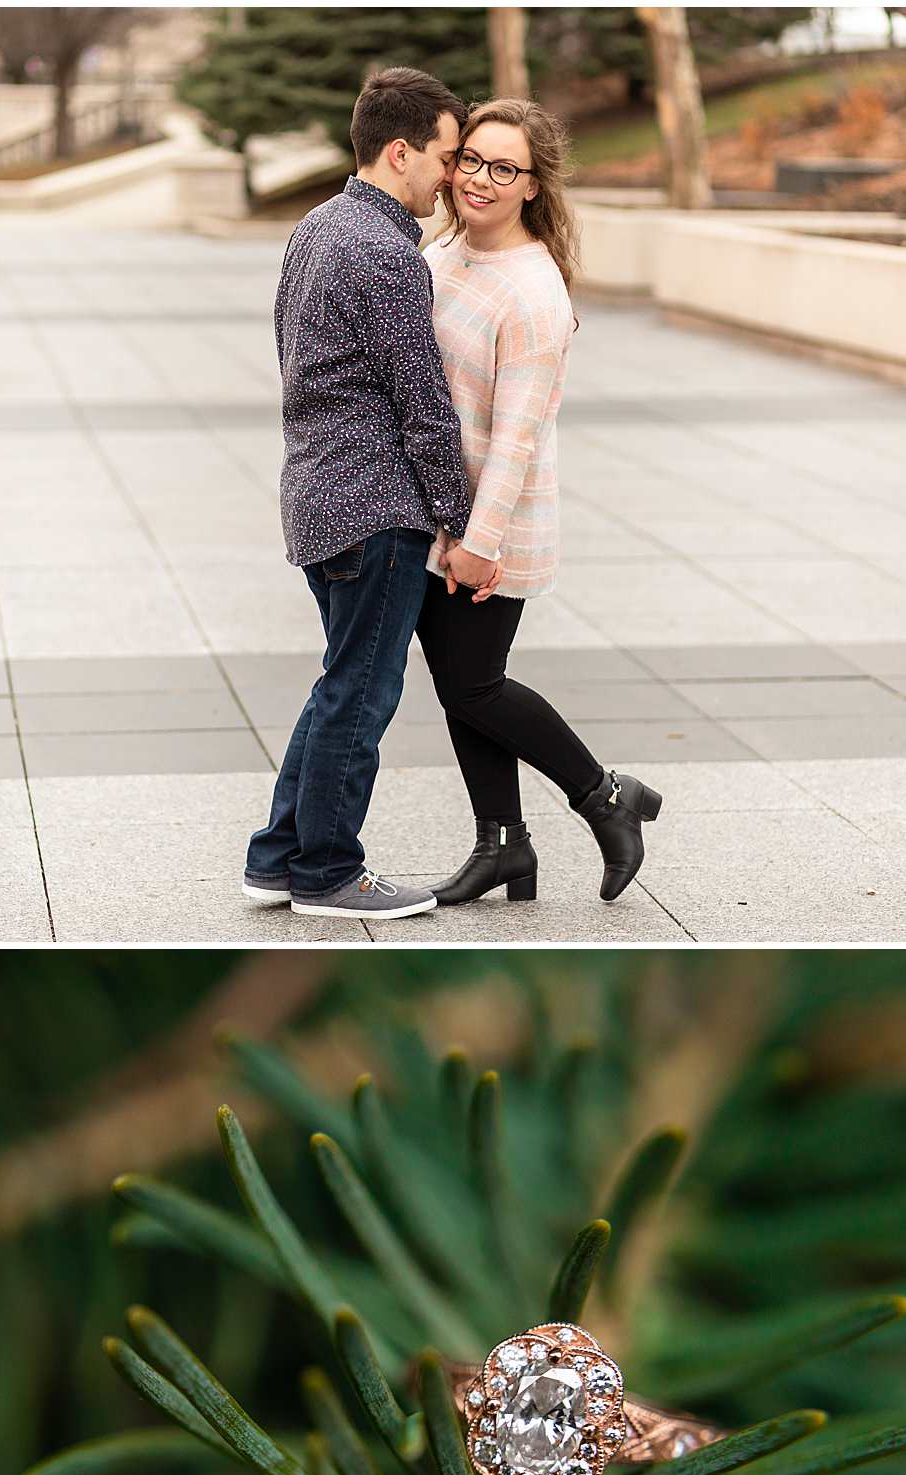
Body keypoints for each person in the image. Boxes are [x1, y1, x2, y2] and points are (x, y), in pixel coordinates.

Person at [242, 67, 504, 922]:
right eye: (444, 155)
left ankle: (278, 858)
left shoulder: (318, 227)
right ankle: (328, 873)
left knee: (339, 683)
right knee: (361, 694)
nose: (453, 177)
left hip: (318, 498)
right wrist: (462, 528)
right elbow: (424, 409)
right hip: (374, 510)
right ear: (400, 152)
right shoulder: (386, 254)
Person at [416, 97, 663, 906]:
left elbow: (517, 434)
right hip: (439, 516)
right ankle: (502, 846)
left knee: (475, 685)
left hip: (494, 518)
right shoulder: (443, 246)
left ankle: (604, 795)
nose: (479, 179)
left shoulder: (532, 291)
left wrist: (479, 539)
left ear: (532, 186)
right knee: (463, 685)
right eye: (471, 160)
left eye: (503, 168)